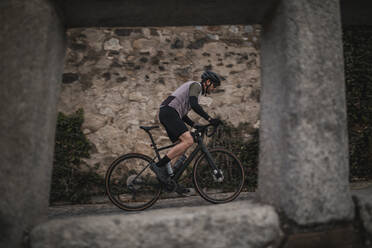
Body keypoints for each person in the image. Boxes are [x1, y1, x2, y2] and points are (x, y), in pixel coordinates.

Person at [151, 70, 222, 192]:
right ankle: (159, 166)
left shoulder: (193, 91)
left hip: (168, 113)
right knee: (188, 140)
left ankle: (169, 180)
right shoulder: (196, 86)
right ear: (208, 82)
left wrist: (195, 124)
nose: (214, 89)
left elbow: (183, 115)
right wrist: (209, 119)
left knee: (180, 147)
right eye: (214, 86)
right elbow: (194, 105)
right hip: (169, 112)